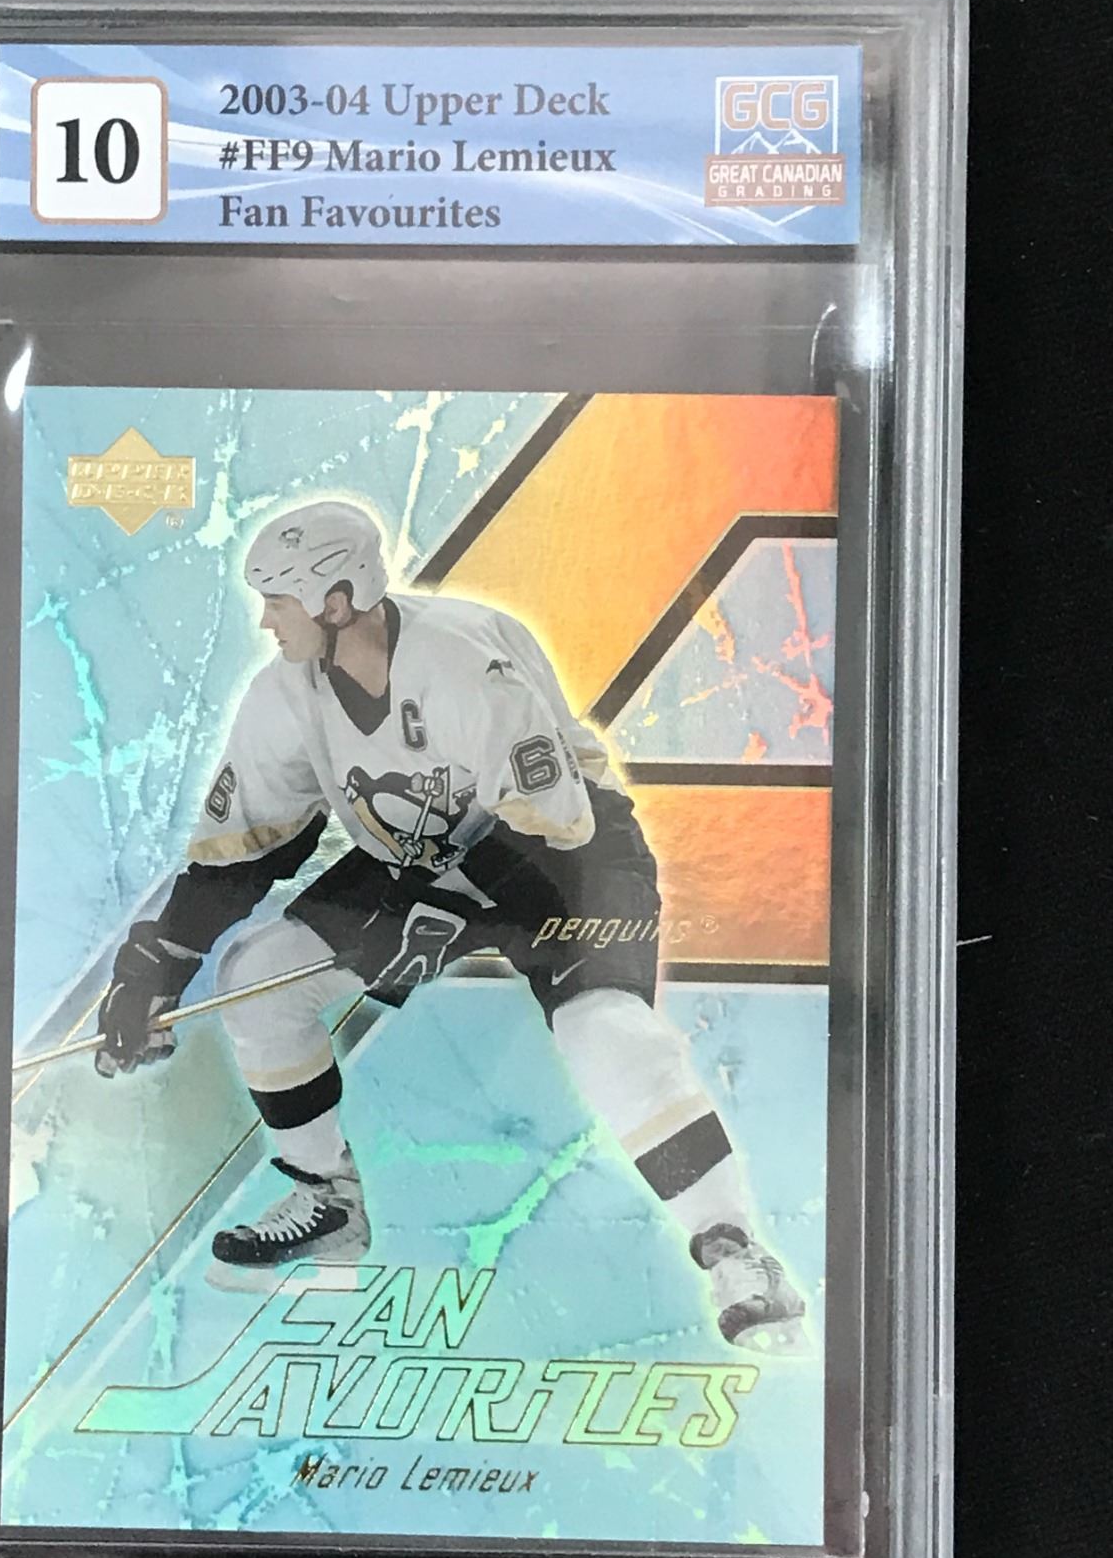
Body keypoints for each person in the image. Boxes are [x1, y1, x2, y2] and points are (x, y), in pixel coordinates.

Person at [96, 499, 806, 1351]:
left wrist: (450, 906)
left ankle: (737, 1250)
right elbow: (245, 850)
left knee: (606, 1033)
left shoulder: (465, 663)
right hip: (424, 860)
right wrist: (160, 965)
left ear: (335, 600)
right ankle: (327, 1198)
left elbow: (552, 825)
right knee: (257, 975)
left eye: (277, 600)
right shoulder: (284, 694)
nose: (265, 620)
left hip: (570, 857)